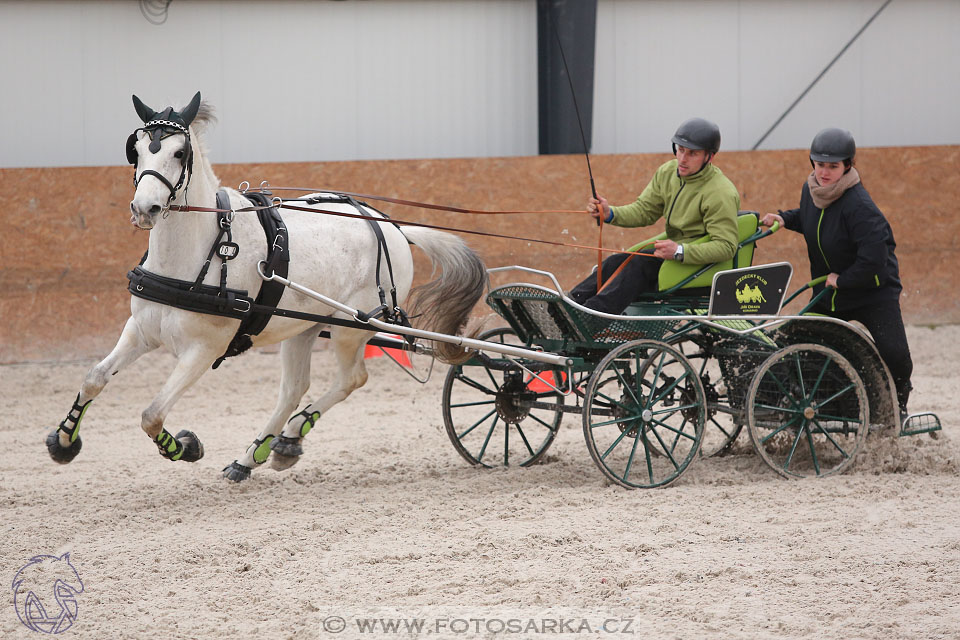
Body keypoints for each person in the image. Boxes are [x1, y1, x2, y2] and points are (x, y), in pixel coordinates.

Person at [760, 127, 913, 421]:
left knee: (895, 355)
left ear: (847, 166)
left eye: (833, 166)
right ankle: (820, 401)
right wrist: (784, 218)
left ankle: (899, 408)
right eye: (820, 165)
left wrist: (842, 279)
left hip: (871, 292)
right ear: (812, 163)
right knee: (794, 338)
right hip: (830, 292)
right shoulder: (813, 190)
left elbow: (875, 260)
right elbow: (810, 219)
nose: (825, 172)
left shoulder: (860, 207)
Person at [569, 117, 740, 314]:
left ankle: (589, 316)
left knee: (638, 265)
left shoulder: (720, 192)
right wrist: (610, 213)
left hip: (697, 267)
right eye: (681, 149)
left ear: (709, 157)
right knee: (616, 261)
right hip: (672, 257)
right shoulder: (667, 172)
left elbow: (726, 247)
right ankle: (569, 305)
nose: (682, 159)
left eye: (693, 153)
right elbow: (644, 211)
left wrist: (679, 251)